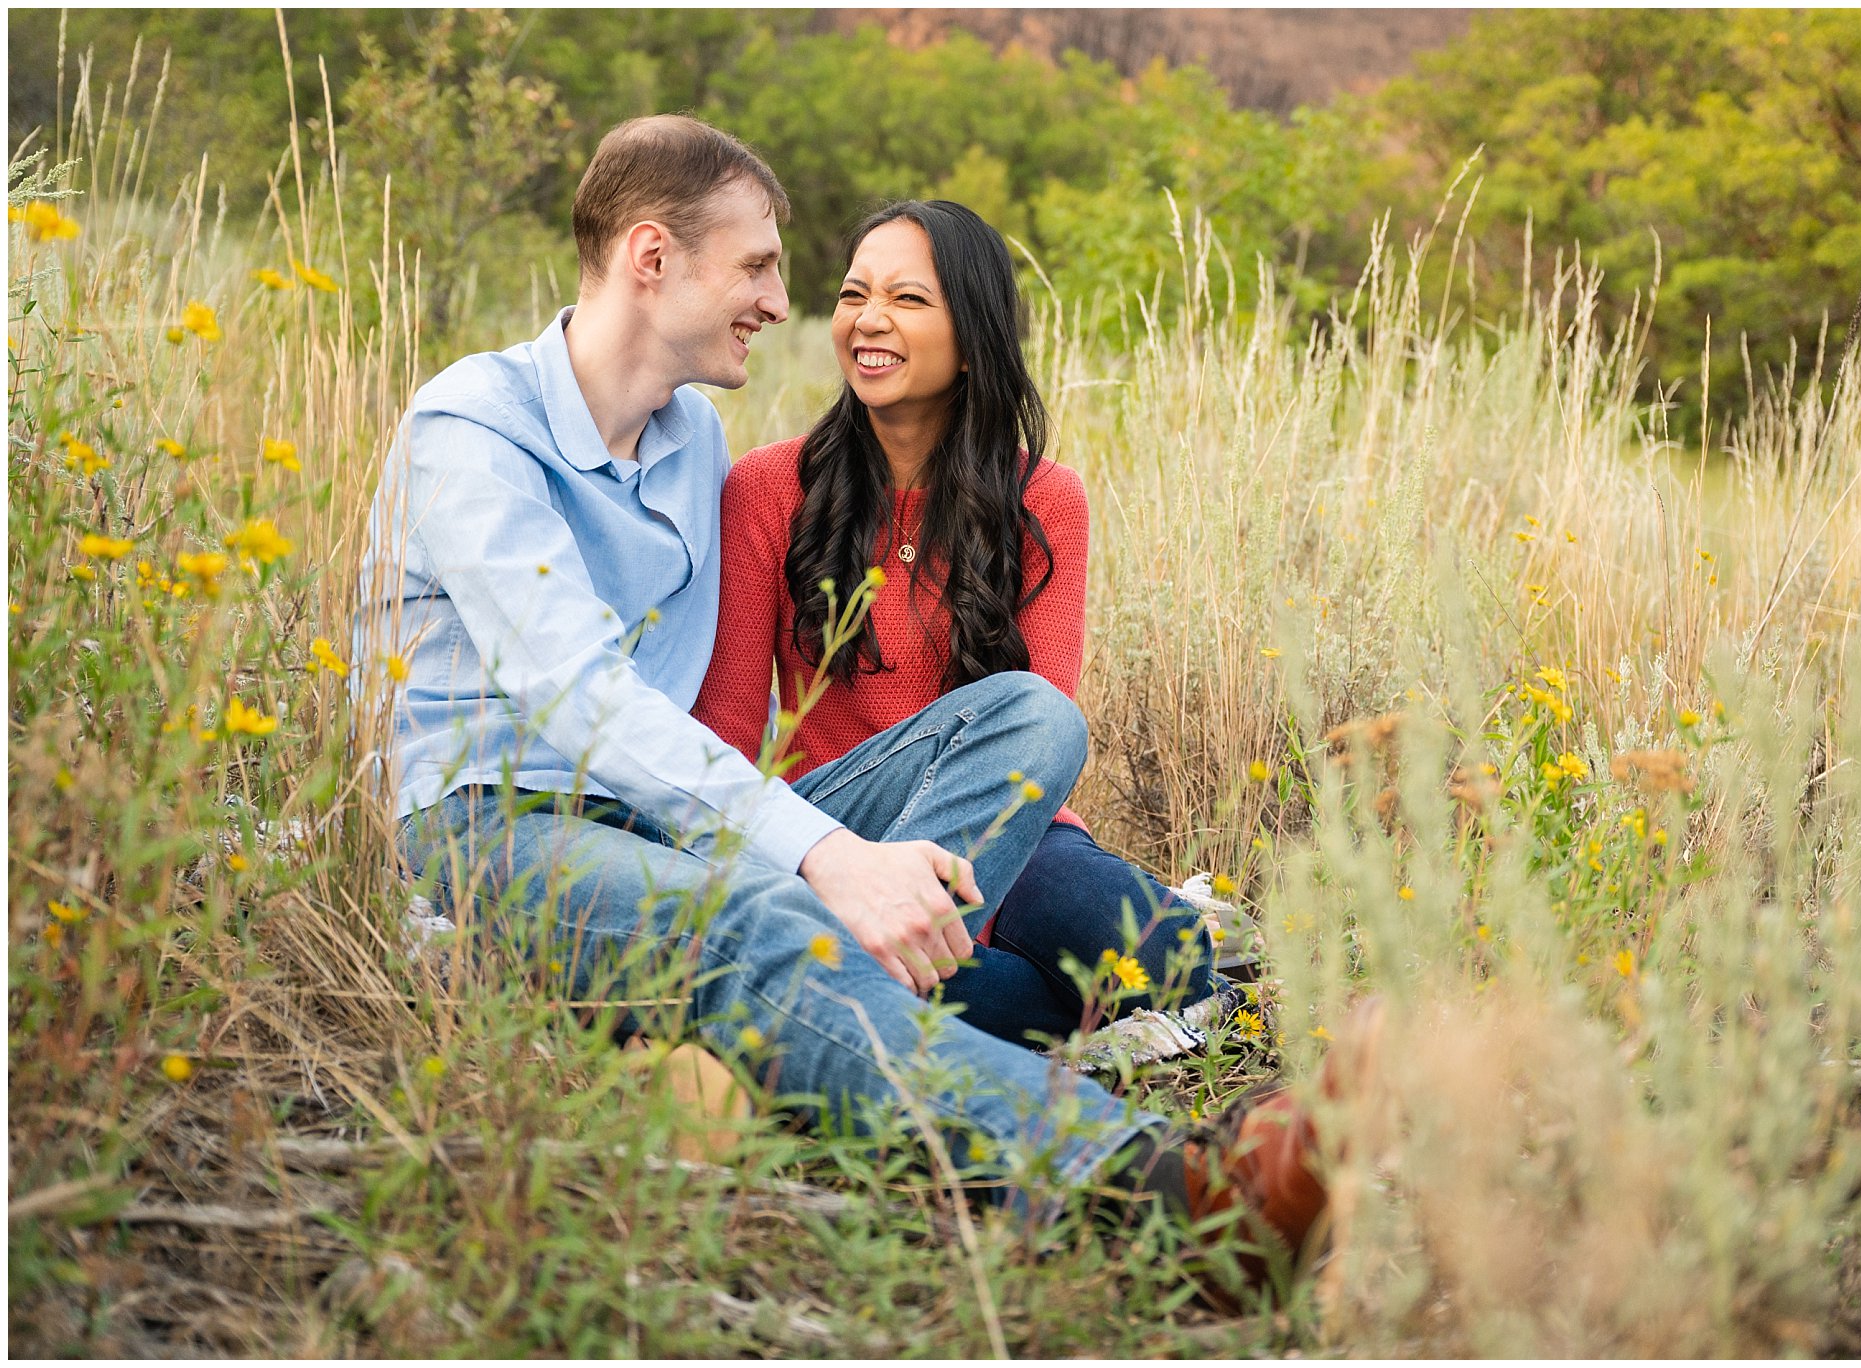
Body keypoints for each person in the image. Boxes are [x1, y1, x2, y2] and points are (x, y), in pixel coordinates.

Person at [357, 113, 1346, 1284]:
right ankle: (1175, 1199)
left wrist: (832, 851)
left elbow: (687, 734)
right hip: (496, 823)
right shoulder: (473, 433)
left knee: (1031, 721)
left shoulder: (685, 439)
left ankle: (776, 1036)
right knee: (774, 928)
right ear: (651, 258)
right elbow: (579, 701)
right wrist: (823, 854)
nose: (788, 308)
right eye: (764, 267)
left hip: (685, 824)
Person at [692, 199, 1216, 1048]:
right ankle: (883, 965)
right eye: (857, 294)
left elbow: (1032, 752)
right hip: (830, 831)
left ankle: (848, 979)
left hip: (1002, 834)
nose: (869, 320)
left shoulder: (1044, 501)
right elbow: (721, 727)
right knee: (1064, 977)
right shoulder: (768, 487)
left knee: (1173, 956)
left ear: (972, 339)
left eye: (907, 300)